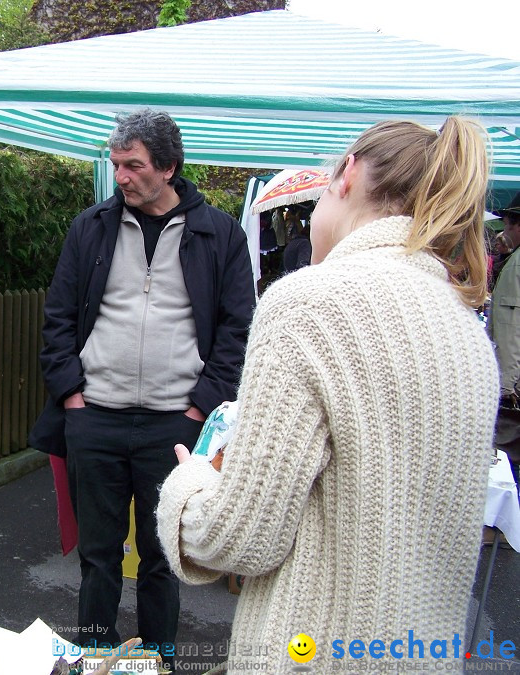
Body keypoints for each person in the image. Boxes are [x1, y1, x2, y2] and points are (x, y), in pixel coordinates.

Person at [156, 117, 500, 671]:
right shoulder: (465, 328)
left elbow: (240, 537)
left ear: (348, 175)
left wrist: (190, 483)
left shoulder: (309, 304)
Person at [28, 109, 255, 665]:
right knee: (98, 557)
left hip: (176, 426)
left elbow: (238, 330)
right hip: (94, 419)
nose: (121, 177)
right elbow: (56, 317)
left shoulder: (218, 233)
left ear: (169, 167)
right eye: (116, 165)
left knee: (161, 558)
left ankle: (156, 663)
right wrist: (73, 397)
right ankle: (95, 661)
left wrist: (202, 408)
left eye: (133, 166)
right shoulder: (91, 226)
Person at [489, 193, 520, 482]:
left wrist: (507, 388)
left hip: (515, 390)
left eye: (508, 225)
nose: (504, 232)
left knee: (509, 463)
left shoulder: (516, 265)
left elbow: (511, 326)